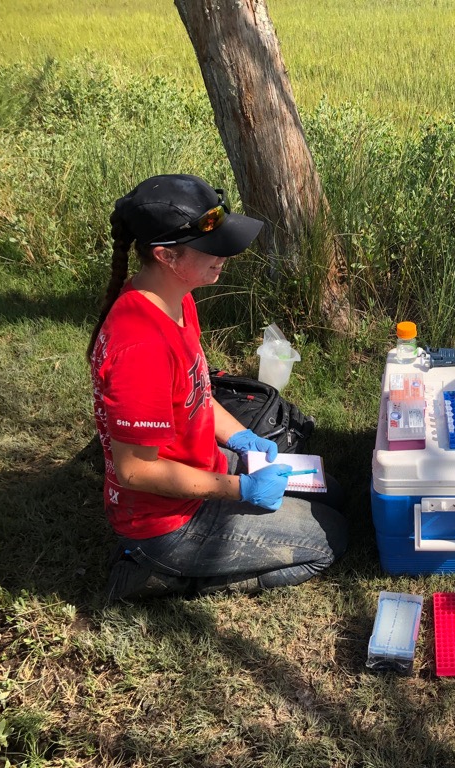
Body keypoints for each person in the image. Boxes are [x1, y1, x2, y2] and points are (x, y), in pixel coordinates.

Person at [87, 174, 348, 601]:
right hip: (168, 523)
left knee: (332, 494)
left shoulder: (179, 298)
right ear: (166, 255)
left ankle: (193, 546)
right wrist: (240, 489)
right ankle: (163, 576)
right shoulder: (140, 345)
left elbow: (199, 392)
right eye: (212, 248)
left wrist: (242, 439)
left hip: (203, 467)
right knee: (330, 539)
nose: (224, 256)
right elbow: (135, 470)